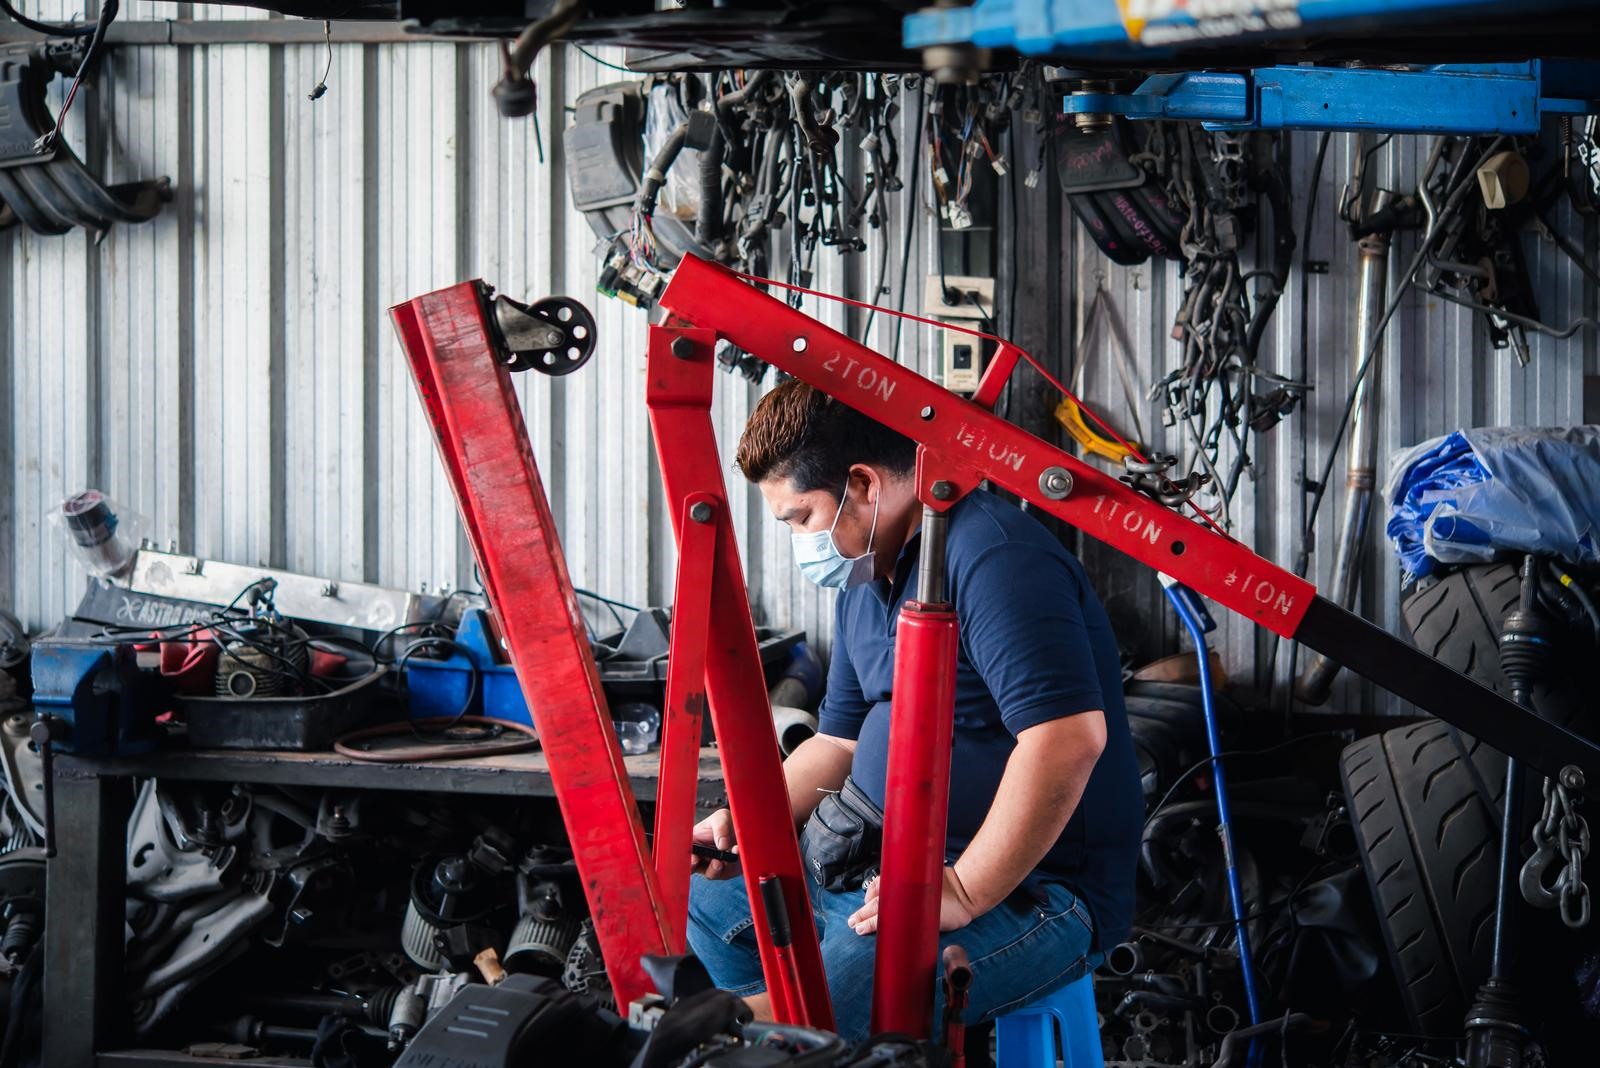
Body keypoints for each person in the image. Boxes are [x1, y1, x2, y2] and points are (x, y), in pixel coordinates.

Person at [686, 380, 1142, 1042]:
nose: (800, 541)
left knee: (843, 988)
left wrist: (960, 890)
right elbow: (837, 742)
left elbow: (1065, 740)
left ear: (865, 484)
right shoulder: (868, 574)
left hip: (1026, 890)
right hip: (878, 856)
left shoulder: (994, 557)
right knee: (713, 902)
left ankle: (786, 1040)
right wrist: (750, 822)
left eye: (802, 517)